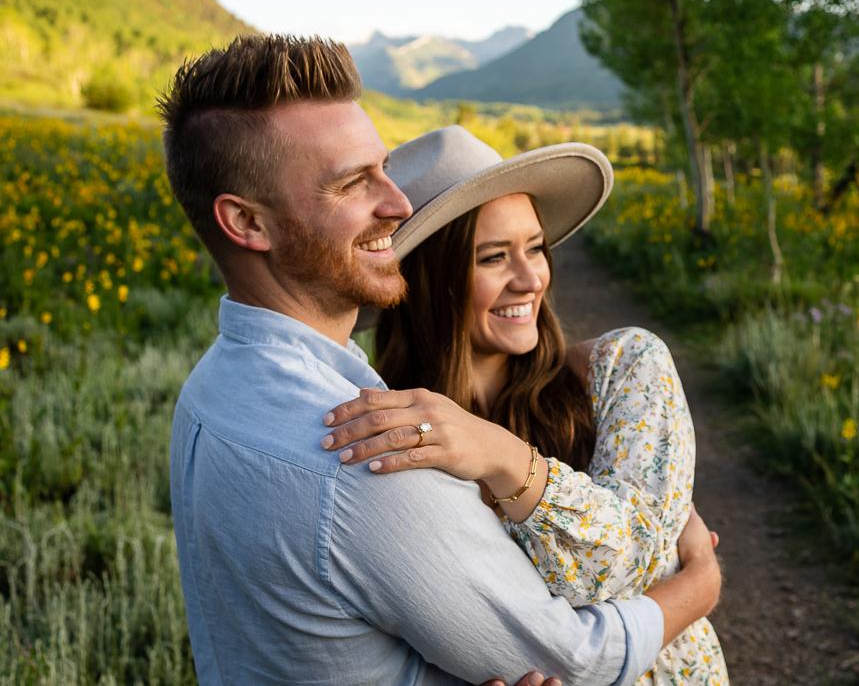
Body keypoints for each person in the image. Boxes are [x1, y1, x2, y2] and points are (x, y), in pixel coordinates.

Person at [160, 34, 721, 686]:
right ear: (247, 223)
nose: (396, 207)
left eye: (536, 248)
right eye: (353, 182)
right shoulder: (375, 448)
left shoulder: (208, 394)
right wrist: (701, 584)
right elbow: (572, 658)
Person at [318, 125, 730, 685]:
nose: (531, 277)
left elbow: (628, 563)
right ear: (427, 280)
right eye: (493, 258)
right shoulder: (393, 432)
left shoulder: (625, 367)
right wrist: (697, 583)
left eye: (535, 247)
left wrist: (502, 456)